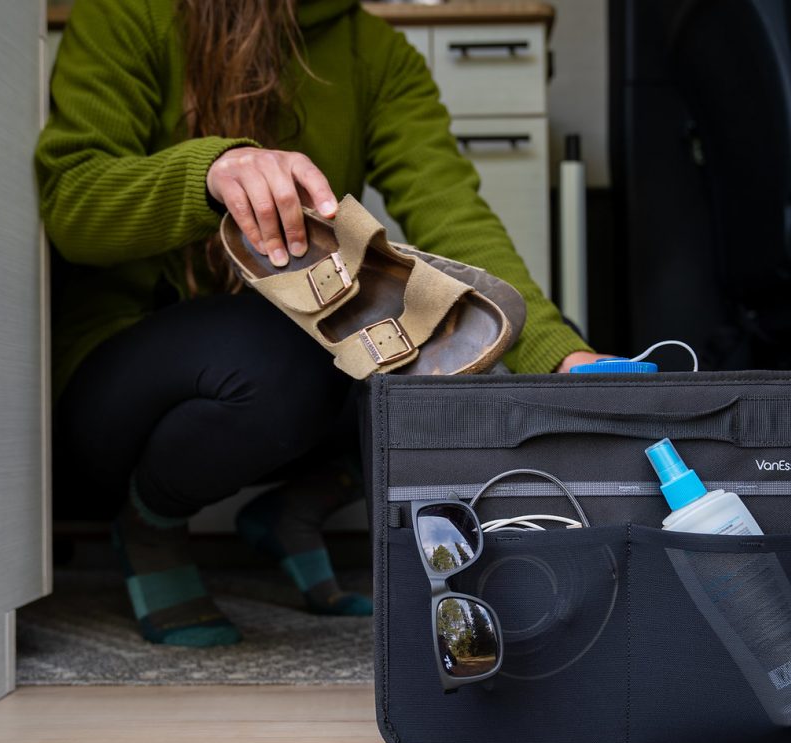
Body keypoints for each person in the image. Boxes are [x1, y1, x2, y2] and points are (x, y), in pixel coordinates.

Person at [36, 0, 606, 648]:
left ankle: (294, 510)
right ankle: (150, 520)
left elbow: (456, 219)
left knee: (435, 354)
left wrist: (562, 357)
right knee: (285, 351)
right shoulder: (129, 12)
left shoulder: (377, 55)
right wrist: (211, 174)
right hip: (120, 381)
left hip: (282, 362)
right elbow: (71, 203)